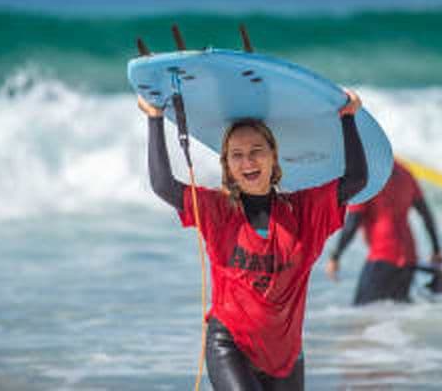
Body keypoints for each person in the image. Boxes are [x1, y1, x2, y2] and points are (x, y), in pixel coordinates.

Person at [137, 89, 368, 391]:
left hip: (285, 355)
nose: (248, 162)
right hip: (229, 344)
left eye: (257, 151)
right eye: (237, 155)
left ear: (273, 156)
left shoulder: (305, 211)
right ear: (228, 166)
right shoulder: (217, 210)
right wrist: (155, 119)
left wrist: (347, 117)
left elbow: (356, 179)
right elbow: (164, 185)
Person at [325, 158, 442, 305]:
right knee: (395, 314)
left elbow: (353, 222)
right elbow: (426, 214)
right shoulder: (405, 172)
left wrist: (335, 256)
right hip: (409, 257)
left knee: (361, 310)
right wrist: (437, 250)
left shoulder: (368, 178)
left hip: (383, 255)